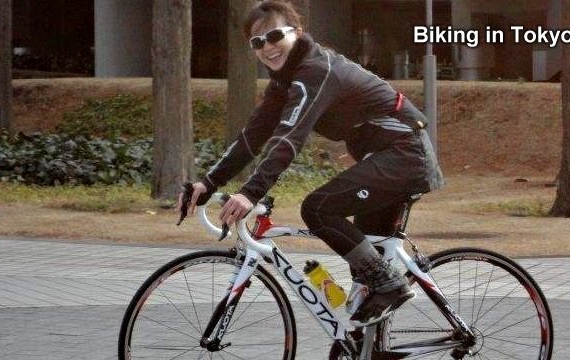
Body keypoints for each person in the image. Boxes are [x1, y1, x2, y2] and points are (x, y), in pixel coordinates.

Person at [178, 0, 443, 327]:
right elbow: (253, 136)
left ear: (297, 32)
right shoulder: (285, 81)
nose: (267, 47)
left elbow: (289, 137)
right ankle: (372, 339)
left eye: (274, 35)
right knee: (364, 278)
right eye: (257, 42)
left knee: (318, 208)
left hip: (405, 154)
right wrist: (208, 183)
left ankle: (392, 286)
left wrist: (251, 192)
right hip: (386, 158)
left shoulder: (315, 71)